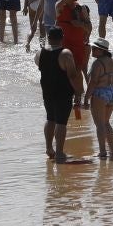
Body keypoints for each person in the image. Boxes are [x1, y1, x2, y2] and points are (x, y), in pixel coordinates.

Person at [37, 28, 81, 162]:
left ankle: (49, 148)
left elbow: (40, 66)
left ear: (48, 38)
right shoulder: (65, 53)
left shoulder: (40, 53)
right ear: (62, 38)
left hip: (47, 91)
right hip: (63, 92)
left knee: (50, 118)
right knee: (61, 122)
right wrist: (78, 92)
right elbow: (72, 75)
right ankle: (60, 153)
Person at [85, 38, 113, 160]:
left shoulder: (97, 63)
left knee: (99, 124)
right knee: (106, 123)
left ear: (101, 51)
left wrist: (86, 98)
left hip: (100, 93)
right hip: (112, 92)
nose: (92, 50)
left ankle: (102, 152)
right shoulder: (112, 61)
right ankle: (112, 150)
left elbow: (93, 82)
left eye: (94, 48)